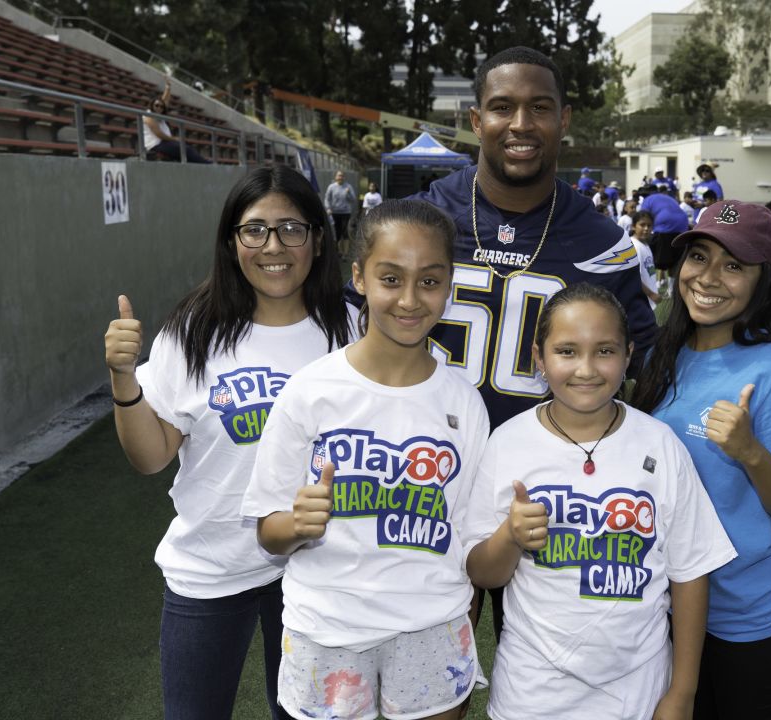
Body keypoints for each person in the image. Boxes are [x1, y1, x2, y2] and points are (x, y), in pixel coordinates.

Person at [404, 46, 659, 641]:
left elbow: (645, 360)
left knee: (548, 670)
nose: (520, 125)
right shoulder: (422, 217)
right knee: (437, 678)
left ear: (564, 120)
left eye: (539, 108)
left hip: (550, 494)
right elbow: (355, 328)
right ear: (475, 120)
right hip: (432, 480)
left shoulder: (601, 239)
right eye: (502, 108)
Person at [102, 165, 353, 720]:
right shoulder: (194, 330)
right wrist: (124, 379)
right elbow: (150, 456)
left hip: (317, 571)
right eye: (254, 230)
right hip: (210, 567)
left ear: (317, 237)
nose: (273, 246)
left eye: (291, 228)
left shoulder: (352, 329)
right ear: (231, 240)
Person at [242, 200, 491, 720]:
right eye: (390, 278)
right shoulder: (311, 390)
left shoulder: (464, 402)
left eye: (429, 281)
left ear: (450, 285)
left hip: (432, 626)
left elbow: (467, 539)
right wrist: (297, 524)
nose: (409, 299)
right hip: (328, 626)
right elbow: (267, 531)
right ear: (359, 277)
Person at [465, 283, 736, 720]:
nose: (586, 369)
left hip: (639, 692)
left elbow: (690, 573)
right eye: (567, 351)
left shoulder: (660, 444)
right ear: (539, 357)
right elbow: (482, 573)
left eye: (605, 351)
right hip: (532, 694)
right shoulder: (508, 443)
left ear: (628, 355)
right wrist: (510, 537)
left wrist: (682, 693)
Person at [629, 201, 771, 720]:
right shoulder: (658, 357)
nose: (708, 278)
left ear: (763, 282)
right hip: (673, 608)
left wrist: (751, 453)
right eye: (698, 257)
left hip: (753, 616)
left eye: (734, 265)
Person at [143, 76, 210, 164]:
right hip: (156, 144)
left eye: (161, 107)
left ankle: (202, 165)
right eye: (156, 106)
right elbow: (158, 134)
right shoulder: (148, 116)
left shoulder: (159, 114)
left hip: (165, 142)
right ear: (151, 105)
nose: (159, 108)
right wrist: (173, 138)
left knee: (186, 149)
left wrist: (168, 87)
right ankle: (207, 164)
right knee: (185, 149)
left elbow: (165, 100)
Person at [639, 183, 691, 287]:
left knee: (660, 261)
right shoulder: (667, 197)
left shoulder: (647, 200)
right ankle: (671, 288)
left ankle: (658, 284)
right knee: (675, 260)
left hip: (664, 226)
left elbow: (643, 217)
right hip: (683, 225)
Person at [629, 210, 660, 311]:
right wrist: (651, 294)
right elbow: (633, 277)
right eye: (642, 225)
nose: (646, 229)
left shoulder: (645, 244)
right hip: (642, 300)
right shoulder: (634, 247)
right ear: (633, 226)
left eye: (649, 225)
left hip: (649, 300)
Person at [324, 170, 357, 254]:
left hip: (346, 212)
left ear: (344, 177)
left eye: (342, 176)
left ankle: (345, 253)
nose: (340, 177)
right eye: (339, 176)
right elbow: (327, 199)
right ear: (335, 177)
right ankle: (339, 251)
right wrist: (328, 208)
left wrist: (348, 193)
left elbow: (353, 199)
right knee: (337, 233)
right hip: (335, 213)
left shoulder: (348, 186)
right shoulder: (331, 187)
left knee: (345, 232)